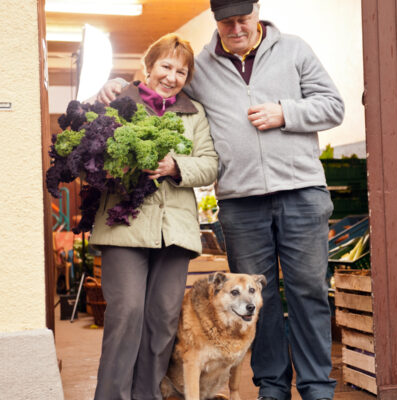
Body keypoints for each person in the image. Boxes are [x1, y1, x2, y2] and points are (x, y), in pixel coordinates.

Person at [97, 1, 345, 399]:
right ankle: (272, 386)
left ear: (257, 11)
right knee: (249, 301)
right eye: (225, 22)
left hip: (301, 193)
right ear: (216, 21)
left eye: (242, 19)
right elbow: (159, 88)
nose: (235, 29)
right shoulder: (202, 67)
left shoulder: (295, 49)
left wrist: (286, 112)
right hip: (241, 201)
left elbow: (334, 106)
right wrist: (113, 84)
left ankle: (316, 387)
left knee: (308, 292)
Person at [89, 33, 218, 400]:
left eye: (182, 71)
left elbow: (210, 164)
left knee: (162, 319)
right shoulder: (116, 101)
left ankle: (147, 395)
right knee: (126, 313)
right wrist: (115, 167)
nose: (172, 77)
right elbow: (88, 149)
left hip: (174, 231)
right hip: (124, 227)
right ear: (149, 66)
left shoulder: (195, 113)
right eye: (165, 66)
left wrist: (176, 165)